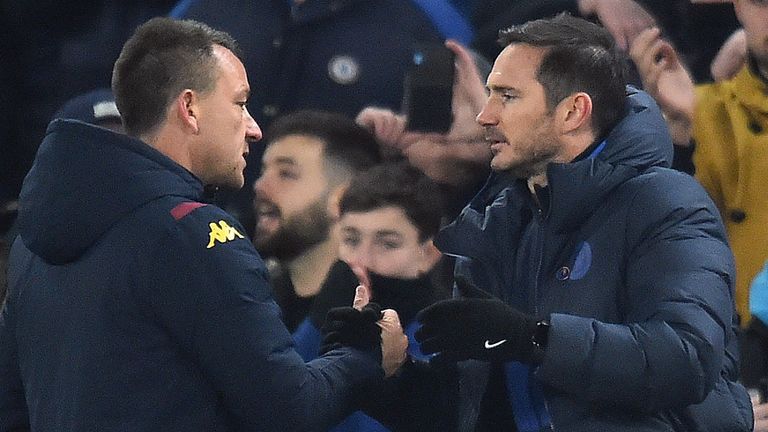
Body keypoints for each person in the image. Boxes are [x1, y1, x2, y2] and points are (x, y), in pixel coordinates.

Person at [0, 17, 408, 431]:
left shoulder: (32, 242)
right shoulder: (194, 235)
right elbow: (289, 409)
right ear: (190, 109)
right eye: (240, 103)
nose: (254, 128)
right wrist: (362, 357)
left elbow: (10, 409)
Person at [380, 13, 750, 431]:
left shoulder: (666, 202)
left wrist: (534, 338)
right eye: (489, 95)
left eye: (508, 96)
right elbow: (479, 408)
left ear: (574, 111)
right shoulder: (498, 225)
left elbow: (687, 360)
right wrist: (388, 376)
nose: (485, 116)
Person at [629, 0, 768, 334]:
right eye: (760, 2)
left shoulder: (701, 110)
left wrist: (698, 115)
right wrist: (672, 139)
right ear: (737, 7)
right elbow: (674, 247)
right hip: (749, 349)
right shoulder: (706, 110)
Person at [293, 161, 447, 431]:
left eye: (387, 244)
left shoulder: (444, 340)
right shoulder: (320, 312)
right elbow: (278, 404)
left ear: (428, 253)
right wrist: (319, 323)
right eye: (351, 240)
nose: (362, 260)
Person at [251, 109, 382, 332]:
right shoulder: (249, 302)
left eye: (286, 173)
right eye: (264, 171)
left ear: (343, 199)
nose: (260, 186)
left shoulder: (383, 320)